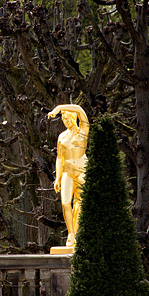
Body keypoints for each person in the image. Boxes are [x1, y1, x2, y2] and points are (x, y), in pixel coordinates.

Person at [48, 104, 89, 248]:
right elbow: (60, 158)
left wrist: (58, 108)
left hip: (82, 170)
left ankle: (74, 235)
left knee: (79, 203)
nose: (65, 121)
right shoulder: (62, 136)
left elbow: (79, 109)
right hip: (67, 172)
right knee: (65, 203)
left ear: (73, 118)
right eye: (63, 120)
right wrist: (57, 177)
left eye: (67, 118)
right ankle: (70, 232)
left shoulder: (83, 130)